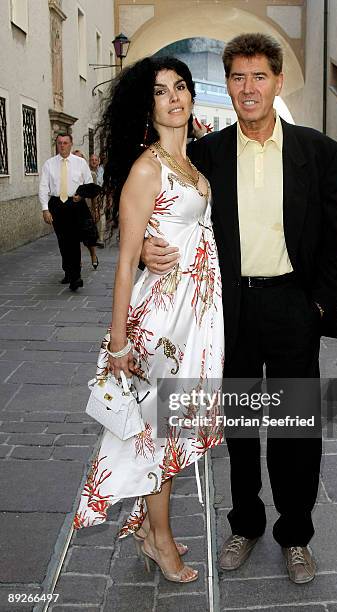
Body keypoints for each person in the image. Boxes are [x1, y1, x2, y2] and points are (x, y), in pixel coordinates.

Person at [141, 33, 337, 584]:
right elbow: (166, 198)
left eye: (260, 76)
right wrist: (144, 244)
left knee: (293, 428)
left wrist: (321, 307)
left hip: (291, 306)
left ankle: (296, 535)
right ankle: (245, 524)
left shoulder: (319, 153)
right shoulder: (207, 153)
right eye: (238, 77)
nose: (249, 88)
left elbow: (335, 240)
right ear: (228, 86)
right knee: (236, 425)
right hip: (226, 312)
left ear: (278, 82)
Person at [72, 56, 224, 584]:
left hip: (192, 320)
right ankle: (159, 541)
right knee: (159, 431)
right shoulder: (148, 166)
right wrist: (118, 347)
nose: (175, 97)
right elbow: (123, 263)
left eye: (181, 87)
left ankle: (146, 529)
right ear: (149, 104)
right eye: (162, 91)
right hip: (159, 323)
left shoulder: (192, 167)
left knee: (171, 424)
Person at [39, 134, 95, 291]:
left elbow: (89, 183)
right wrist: (45, 209)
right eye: (59, 143)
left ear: (71, 144)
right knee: (63, 241)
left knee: (74, 240)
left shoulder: (80, 162)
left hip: (75, 204)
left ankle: (76, 277)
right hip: (57, 205)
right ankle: (68, 272)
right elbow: (44, 187)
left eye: (65, 143)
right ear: (56, 145)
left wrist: (82, 195)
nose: (62, 145)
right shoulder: (49, 164)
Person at [71, 150, 100, 269]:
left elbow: (94, 194)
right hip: (72, 209)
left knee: (88, 236)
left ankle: (93, 255)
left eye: (80, 158)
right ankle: (78, 261)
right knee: (74, 237)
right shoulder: (68, 173)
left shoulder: (90, 174)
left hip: (86, 209)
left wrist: (95, 209)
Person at [89, 153, 106, 247]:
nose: (94, 161)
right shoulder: (87, 172)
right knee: (91, 216)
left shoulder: (102, 172)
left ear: (99, 161)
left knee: (101, 214)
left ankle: (101, 238)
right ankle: (92, 237)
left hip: (101, 196)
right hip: (89, 197)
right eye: (92, 160)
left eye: (96, 160)